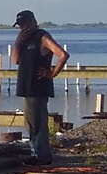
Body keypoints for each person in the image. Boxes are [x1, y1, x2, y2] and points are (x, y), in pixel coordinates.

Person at [12, 10, 70, 164]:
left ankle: (42, 156)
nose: (23, 28)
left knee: (38, 122)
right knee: (30, 122)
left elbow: (63, 55)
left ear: (33, 22)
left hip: (38, 87)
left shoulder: (42, 36)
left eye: (25, 24)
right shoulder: (24, 39)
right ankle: (35, 152)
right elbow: (15, 60)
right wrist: (18, 41)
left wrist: (51, 73)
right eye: (20, 26)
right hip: (26, 86)